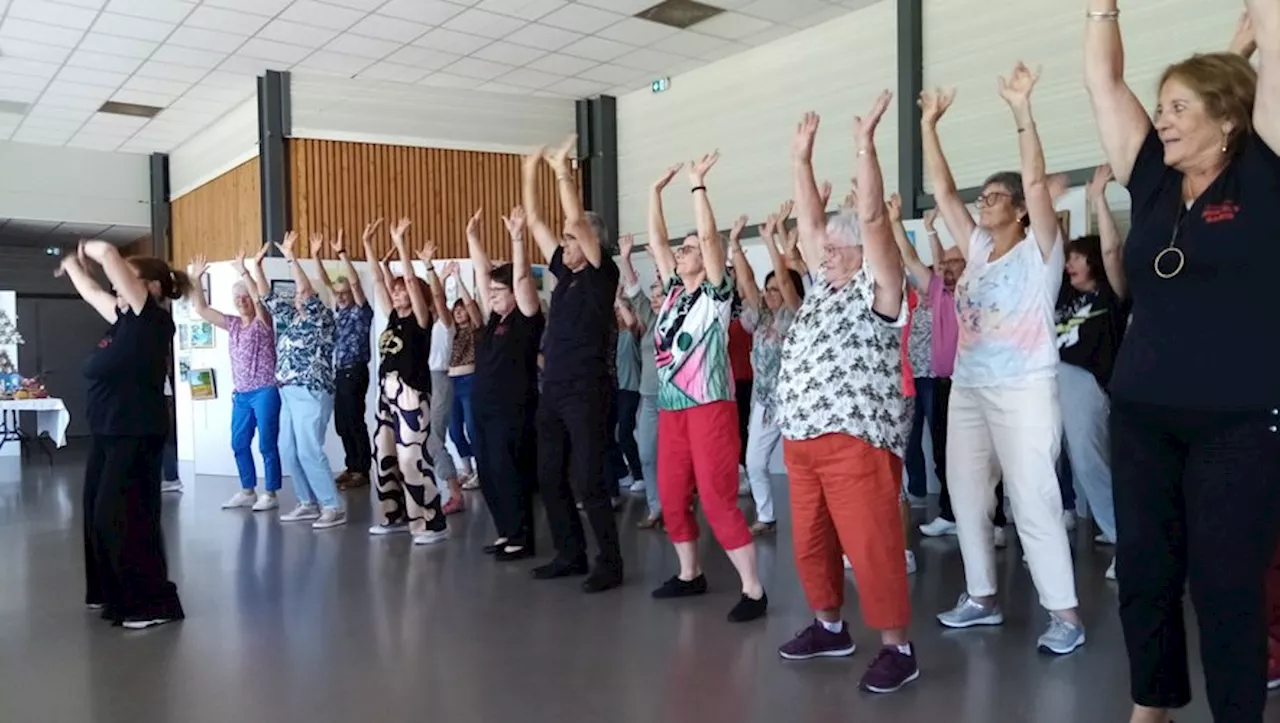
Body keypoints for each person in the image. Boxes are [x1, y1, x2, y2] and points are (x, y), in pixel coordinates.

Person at [1085, 3, 1280, 720]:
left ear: (1227, 117)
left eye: (1178, 106)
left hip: (1239, 419)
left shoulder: (1263, 168)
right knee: (1144, 571)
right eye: (1159, 105)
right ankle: (1153, 703)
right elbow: (1103, 81)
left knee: (1227, 582)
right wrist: (1101, 7)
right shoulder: (1154, 180)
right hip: (1142, 413)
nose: (1161, 117)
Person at [922, 64, 1081, 655]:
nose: (982, 204)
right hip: (970, 386)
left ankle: (1065, 614)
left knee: (1032, 497)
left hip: (1023, 388)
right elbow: (941, 191)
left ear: (1017, 209)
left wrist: (1022, 111)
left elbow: (1038, 183)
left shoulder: (1039, 249)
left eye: (994, 198)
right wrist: (929, 126)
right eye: (982, 197)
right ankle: (981, 597)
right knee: (966, 494)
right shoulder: (981, 249)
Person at [774, 96, 917, 693]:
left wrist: (866, 148)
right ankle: (830, 627)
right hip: (802, 441)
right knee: (810, 544)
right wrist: (801, 163)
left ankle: (898, 647)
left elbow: (878, 226)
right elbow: (809, 228)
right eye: (825, 250)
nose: (823, 255)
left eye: (837, 249)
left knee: (872, 545)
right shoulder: (823, 288)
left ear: (862, 253)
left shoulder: (879, 288)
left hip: (856, 441)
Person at [647, 152, 768, 623]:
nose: (684, 251)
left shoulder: (715, 296)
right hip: (673, 406)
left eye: (691, 248)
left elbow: (713, 242)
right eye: (683, 248)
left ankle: (754, 589)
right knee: (672, 493)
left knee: (717, 498)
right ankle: (689, 573)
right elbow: (658, 241)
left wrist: (697, 187)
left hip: (710, 405)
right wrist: (655, 194)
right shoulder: (674, 290)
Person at [58, 240, 186, 630]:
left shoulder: (153, 321)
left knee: (125, 516)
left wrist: (91, 249)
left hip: (135, 433)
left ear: (151, 287)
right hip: (108, 434)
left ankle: (151, 603)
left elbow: (111, 258)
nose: (116, 286)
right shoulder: (123, 319)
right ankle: (110, 592)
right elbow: (94, 291)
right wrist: (72, 266)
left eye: (127, 280)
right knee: (97, 516)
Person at [523, 135, 623, 593]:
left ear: (590, 241)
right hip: (554, 387)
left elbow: (572, 220)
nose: (563, 245)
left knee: (588, 480)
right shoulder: (564, 274)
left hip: (587, 387)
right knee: (548, 475)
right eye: (563, 242)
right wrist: (529, 171)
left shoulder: (604, 274)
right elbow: (538, 223)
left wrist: (563, 171)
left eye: (571, 241)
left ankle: (610, 562)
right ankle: (571, 553)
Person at [891, 208, 1010, 546]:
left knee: (985, 455)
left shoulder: (981, 290)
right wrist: (896, 223)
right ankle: (949, 513)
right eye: (943, 264)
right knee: (945, 453)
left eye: (953, 262)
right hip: (947, 385)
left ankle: (995, 520)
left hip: (978, 383)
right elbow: (912, 259)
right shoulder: (939, 293)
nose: (945, 267)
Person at [1055, 164, 1128, 577]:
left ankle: (1123, 537)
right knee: (1045, 459)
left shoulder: (1112, 295)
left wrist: (1096, 198)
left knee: (1089, 461)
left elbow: (1114, 251)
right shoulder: (1065, 294)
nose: (1069, 266)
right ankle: (1062, 522)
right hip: (1051, 377)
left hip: (1085, 383)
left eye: (1077, 259)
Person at [361, 218, 451, 545]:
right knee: (383, 456)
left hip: (412, 392)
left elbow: (412, 282)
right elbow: (376, 279)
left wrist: (400, 244)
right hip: (387, 392)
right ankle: (394, 515)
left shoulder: (421, 320)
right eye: (394, 290)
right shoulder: (392, 317)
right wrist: (368, 246)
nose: (397, 292)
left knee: (412, 457)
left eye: (401, 290)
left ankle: (430, 521)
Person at [465, 207, 545, 561]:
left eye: (501, 289)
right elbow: (484, 276)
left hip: (512, 409)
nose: (493, 294)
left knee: (508, 471)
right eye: (493, 289)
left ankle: (521, 537)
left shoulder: (526, 317)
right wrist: (472, 238)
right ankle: (504, 532)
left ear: (515, 291)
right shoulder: (493, 317)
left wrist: (516, 237)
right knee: (488, 471)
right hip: (484, 408)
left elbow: (523, 277)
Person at [252, 232, 344, 530]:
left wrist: (291, 257)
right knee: (289, 449)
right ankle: (307, 502)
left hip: (311, 390)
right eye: (299, 295)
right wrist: (253, 268)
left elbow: (307, 288)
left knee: (309, 449)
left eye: (304, 294)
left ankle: (332, 506)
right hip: (288, 392)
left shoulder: (322, 317)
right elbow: (266, 297)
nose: (299, 296)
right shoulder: (292, 319)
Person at [728, 211, 803, 536]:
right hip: (765, 401)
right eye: (767, 289)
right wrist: (734, 244)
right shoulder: (758, 318)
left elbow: (787, 281)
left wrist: (771, 239)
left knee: (802, 469)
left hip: (797, 402)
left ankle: (816, 521)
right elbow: (746, 284)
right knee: (755, 462)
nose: (770, 293)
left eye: (775, 289)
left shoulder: (795, 314)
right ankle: (766, 515)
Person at [189, 251, 281, 513]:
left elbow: (260, 300)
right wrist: (196, 279)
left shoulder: (263, 322)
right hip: (241, 394)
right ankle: (248, 490)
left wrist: (244, 271)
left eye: (245, 298)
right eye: (237, 298)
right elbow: (202, 309)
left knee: (266, 443)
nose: (242, 302)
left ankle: (271, 492)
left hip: (265, 390)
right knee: (238, 443)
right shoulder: (232, 324)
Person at [312, 228, 374, 491]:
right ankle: (352, 466)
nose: (339, 296)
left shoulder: (361, 311)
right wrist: (315, 257)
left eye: (344, 293)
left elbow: (355, 285)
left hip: (355, 370)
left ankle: (362, 469)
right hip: (340, 372)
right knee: (342, 422)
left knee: (354, 419)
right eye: (338, 294)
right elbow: (327, 283)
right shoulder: (339, 309)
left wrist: (341, 253)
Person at [619, 233, 664, 530]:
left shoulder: (678, 319)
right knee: (647, 455)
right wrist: (625, 259)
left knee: (675, 459)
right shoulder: (648, 321)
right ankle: (655, 506)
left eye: (661, 293)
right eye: (655, 294)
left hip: (675, 401)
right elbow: (635, 293)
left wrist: (659, 259)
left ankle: (677, 506)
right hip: (649, 399)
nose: (656, 298)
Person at [612, 293, 644, 496]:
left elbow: (631, 321)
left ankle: (639, 475)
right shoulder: (614, 335)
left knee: (624, 433)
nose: (618, 315)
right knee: (610, 433)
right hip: (616, 389)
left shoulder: (633, 333)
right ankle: (623, 473)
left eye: (620, 312)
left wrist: (618, 298)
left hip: (631, 389)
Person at [448, 296, 479, 490]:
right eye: (455, 309)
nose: (458, 312)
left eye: (462, 309)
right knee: (454, 431)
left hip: (469, 381)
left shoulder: (475, 329)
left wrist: (458, 279)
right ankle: (467, 468)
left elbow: (472, 309)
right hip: (451, 383)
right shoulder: (451, 332)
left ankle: (480, 470)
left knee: (473, 429)